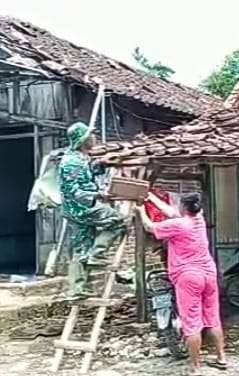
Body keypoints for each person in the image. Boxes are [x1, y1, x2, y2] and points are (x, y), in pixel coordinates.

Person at [137, 192, 226, 376]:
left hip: (188, 276)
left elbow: (149, 227)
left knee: (192, 322)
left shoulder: (177, 225)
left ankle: (195, 367)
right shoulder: (199, 220)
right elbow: (171, 211)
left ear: (184, 208)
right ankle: (221, 357)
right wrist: (150, 197)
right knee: (212, 318)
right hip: (209, 273)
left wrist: (140, 210)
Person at [58, 121, 126, 300]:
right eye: (91, 135)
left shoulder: (80, 158)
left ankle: (77, 289)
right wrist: (98, 195)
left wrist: (102, 164)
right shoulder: (71, 162)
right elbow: (74, 191)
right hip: (81, 209)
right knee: (117, 220)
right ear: (83, 140)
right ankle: (97, 254)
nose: (94, 137)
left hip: (79, 208)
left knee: (81, 246)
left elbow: (87, 173)